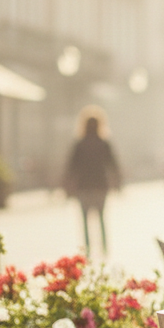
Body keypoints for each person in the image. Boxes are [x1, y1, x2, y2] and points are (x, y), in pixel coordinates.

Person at [63, 106, 121, 255]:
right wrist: (118, 183)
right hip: (101, 186)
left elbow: (71, 167)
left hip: (83, 187)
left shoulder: (80, 144)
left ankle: (87, 251)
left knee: (85, 221)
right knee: (101, 219)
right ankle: (104, 250)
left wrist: (66, 187)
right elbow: (113, 165)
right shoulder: (104, 143)